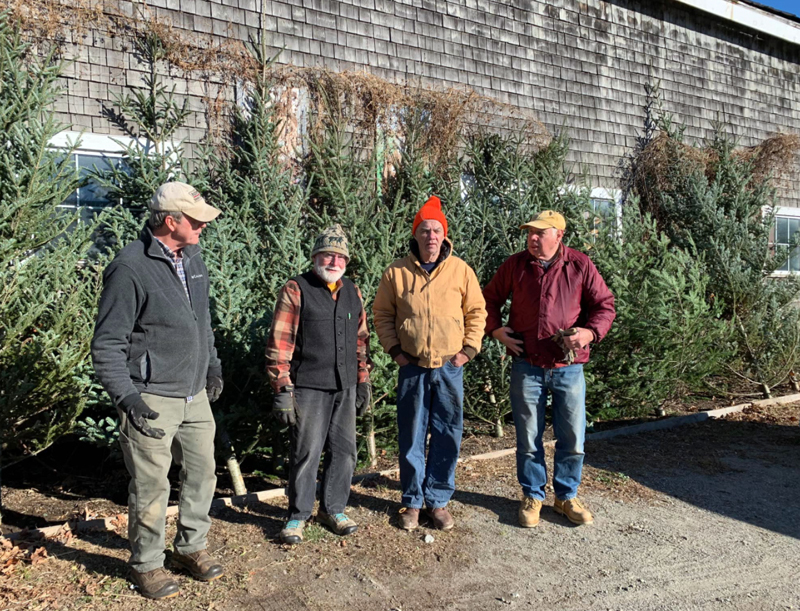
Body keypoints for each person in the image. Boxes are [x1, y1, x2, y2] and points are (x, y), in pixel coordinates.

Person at [91, 181, 225, 599]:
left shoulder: (194, 257)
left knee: (203, 473)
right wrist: (127, 397)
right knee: (151, 486)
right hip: (150, 397)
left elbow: (203, 322)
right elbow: (107, 344)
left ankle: (190, 548)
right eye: (197, 220)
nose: (204, 226)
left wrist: (213, 366)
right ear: (171, 221)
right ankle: (146, 564)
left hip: (194, 395)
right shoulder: (130, 268)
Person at [483, 210, 615, 528]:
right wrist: (496, 331)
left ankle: (566, 496)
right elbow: (487, 300)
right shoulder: (515, 266)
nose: (533, 237)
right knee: (529, 437)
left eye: (540, 233)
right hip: (527, 366)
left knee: (572, 436)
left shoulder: (580, 265)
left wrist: (589, 333)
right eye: (530, 232)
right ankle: (533, 495)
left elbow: (604, 305)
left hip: (568, 369)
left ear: (559, 236)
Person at [373, 196, 487, 531]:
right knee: (411, 436)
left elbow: (477, 313)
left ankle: (437, 500)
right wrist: (395, 351)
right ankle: (411, 501)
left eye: (436, 230)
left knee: (447, 433)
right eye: (425, 230)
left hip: (450, 367)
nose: (431, 236)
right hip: (412, 366)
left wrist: (467, 351)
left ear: (444, 236)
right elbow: (382, 315)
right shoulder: (396, 272)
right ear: (416, 235)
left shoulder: (460, 271)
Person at [265, 225, 372, 544]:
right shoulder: (297, 288)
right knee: (306, 451)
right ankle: (297, 515)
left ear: (347, 261)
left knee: (344, 451)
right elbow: (279, 344)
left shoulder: (353, 290)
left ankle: (333, 509)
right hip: (309, 386)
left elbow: (361, 340)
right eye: (327, 254)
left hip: (346, 385)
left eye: (340, 256)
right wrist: (282, 389)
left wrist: (363, 380)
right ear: (315, 256)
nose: (334, 260)